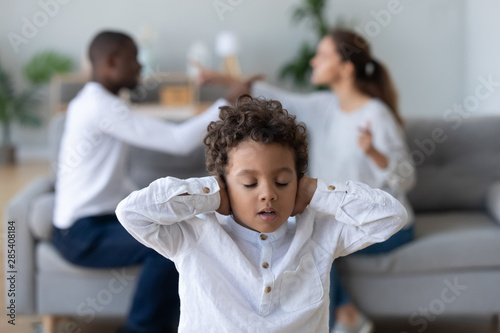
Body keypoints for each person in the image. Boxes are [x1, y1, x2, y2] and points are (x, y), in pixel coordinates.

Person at [115, 95, 407, 332]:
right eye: (249, 183)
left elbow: (391, 216)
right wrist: (210, 193)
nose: (268, 193)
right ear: (225, 184)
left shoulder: (318, 233)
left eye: (282, 181)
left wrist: (315, 191)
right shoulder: (193, 235)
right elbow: (132, 213)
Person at [196, 29, 416, 333]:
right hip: (333, 214)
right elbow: (266, 90)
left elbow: (406, 178)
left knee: (307, 241)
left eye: (323, 56)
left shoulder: (375, 115)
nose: (313, 61)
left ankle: (347, 314)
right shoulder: (327, 107)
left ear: (346, 68)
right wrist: (219, 78)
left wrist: (374, 153)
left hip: (379, 219)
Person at [51, 31, 227, 333]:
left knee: (175, 230)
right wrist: (227, 103)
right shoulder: (99, 106)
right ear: (110, 62)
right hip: (80, 234)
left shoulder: (97, 102)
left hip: (97, 222)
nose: (141, 67)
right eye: (134, 59)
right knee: (163, 245)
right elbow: (177, 141)